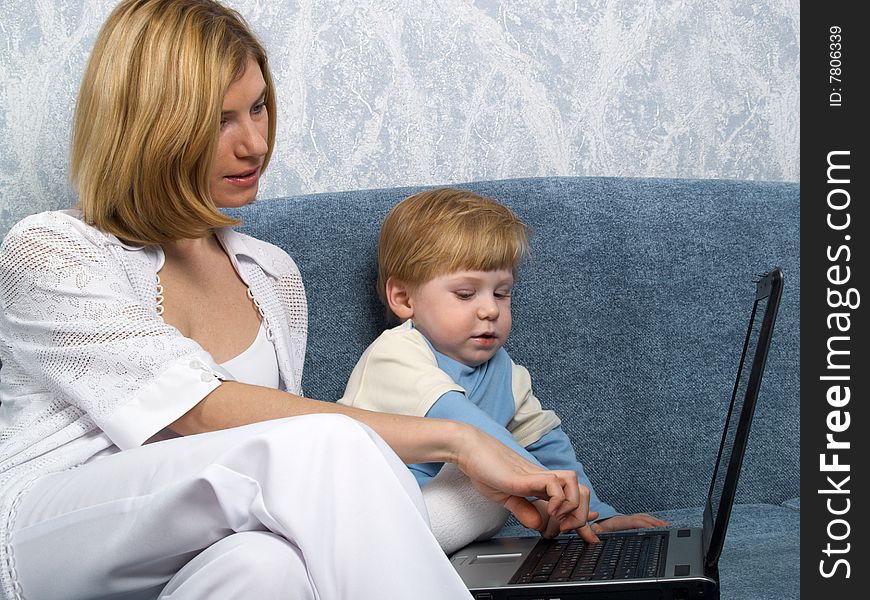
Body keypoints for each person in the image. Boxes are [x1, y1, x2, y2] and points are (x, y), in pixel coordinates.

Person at [0, 2, 596, 599]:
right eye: (220, 120)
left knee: (269, 564)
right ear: (149, 125)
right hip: (50, 536)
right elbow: (202, 412)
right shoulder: (50, 250)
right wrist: (460, 440)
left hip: (198, 551)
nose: (255, 143)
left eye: (258, 107)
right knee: (332, 444)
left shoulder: (270, 273)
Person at [340, 188, 667, 553]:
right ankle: (375, 555)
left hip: (431, 511)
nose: (490, 310)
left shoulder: (506, 372)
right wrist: (544, 489)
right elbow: (463, 425)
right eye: (466, 294)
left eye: (501, 293)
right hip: (360, 507)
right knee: (488, 482)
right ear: (403, 298)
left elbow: (546, 446)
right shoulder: (395, 353)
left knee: (487, 492)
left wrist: (593, 517)